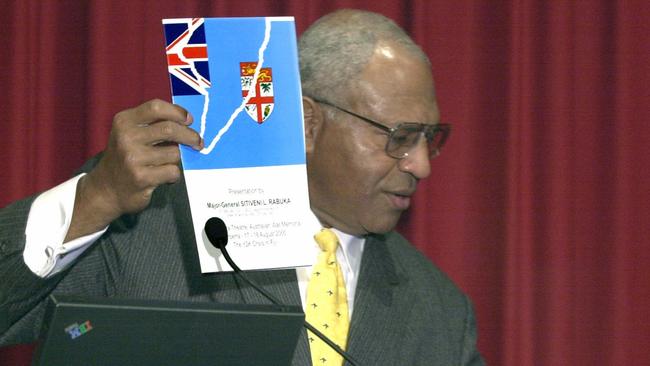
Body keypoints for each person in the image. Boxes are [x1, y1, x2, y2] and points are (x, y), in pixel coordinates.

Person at [0, 9, 484, 365]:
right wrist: (95, 199)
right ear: (307, 123)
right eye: (400, 137)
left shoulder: (440, 310)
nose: (420, 164)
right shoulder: (144, 234)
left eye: (429, 138)